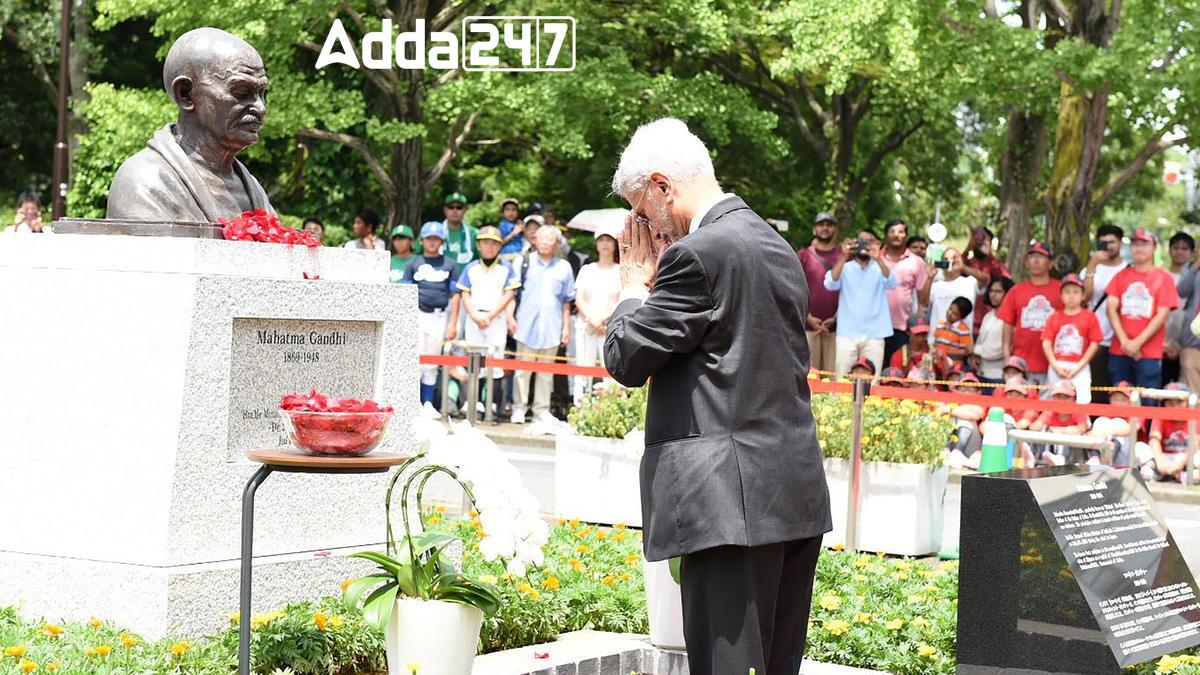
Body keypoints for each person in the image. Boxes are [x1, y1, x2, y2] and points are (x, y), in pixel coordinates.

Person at [603, 117, 830, 675]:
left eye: (640, 209)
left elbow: (627, 358)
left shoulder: (695, 255)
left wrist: (633, 286)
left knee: (725, 666)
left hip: (728, 502)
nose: (642, 226)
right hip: (790, 489)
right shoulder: (775, 243)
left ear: (663, 187)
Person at [106, 28, 274, 221]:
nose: (260, 108)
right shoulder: (145, 181)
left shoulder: (253, 190)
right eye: (241, 92)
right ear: (185, 94)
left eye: (262, 94)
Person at [512, 227, 575, 424]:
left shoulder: (564, 267)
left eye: (551, 239)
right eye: (543, 238)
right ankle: (519, 408)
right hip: (525, 325)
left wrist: (566, 328)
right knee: (522, 371)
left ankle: (541, 410)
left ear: (557, 243)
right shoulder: (522, 262)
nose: (546, 242)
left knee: (546, 373)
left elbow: (567, 302)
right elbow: (511, 294)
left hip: (552, 326)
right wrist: (510, 319)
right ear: (535, 241)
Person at [457, 226, 520, 417]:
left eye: (494, 243)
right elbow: (464, 293)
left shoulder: (506, 267)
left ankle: (491, 402)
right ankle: (472, 401)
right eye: (485, 243)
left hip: (496, 318)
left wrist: (492, 315)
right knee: (474, 359)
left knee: (495, 361)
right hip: (474, 318)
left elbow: (511, 293)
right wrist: (475, 316)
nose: (490, 247)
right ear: (478, 245)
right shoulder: (471, 267)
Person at [1106, 228, 1178, 392]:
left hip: (1149, 353)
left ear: (1154, 248)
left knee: (1147, 402)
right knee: (1118, 398)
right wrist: (1125, 342)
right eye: (1135, 244)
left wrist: (1136, 344)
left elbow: (1162, 315)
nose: (1139, 248)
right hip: (1119, 349)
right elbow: (1111, 309)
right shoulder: (1121, 276)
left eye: (1144, 244)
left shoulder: (1164, 278)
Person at [402, 221, 461, 406]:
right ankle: (412, 404)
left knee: (432, 362)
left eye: (436, 238)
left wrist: (453, 323)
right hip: (418, 315)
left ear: (442, 241)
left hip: (440, 316)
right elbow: (404, 295)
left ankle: (427, 403)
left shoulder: (450, 264)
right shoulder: (413, 263)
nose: (432, 242)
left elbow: (455, 295)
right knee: (415, 361)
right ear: (421, 240)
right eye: (429, 238)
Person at [824, 235, 896, 378]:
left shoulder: (879, 267)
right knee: (842, 378)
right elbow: (830, 283)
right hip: (847, 332)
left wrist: (879, 258)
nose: (864, 247)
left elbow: (892, 283)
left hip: (875, 333)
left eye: (868, 243)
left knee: (872, 380)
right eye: (860, 243)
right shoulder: (845, 267)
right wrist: (844, 256)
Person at [998, 241, 1063, 395]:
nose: (1036, 261)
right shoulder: (1017, 290)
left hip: (1053, 364)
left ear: (1051, 263)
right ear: (1026, 262)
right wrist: (1007, 356)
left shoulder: (1061, 290)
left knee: (1048, 408)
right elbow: (1007, 323)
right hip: (1021, 363)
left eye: (1041, 257)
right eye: (1032, 256)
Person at [572, 224, 622, 404]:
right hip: (586, 325)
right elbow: (579, 298)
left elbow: (621, 299)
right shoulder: (587, 269)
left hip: (609, 327)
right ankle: (579, 407)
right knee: (583, 365)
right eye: (601, 240)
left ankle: (611, 406)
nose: (605, 244)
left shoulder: (620, 271)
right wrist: (592, 319)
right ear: (596, 245)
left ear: (615, 244)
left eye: (609, 239)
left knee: (610, 368)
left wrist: (601, 320)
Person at [1082, 224, 1128, 403]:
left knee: (1119, 389)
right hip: (1097, 338)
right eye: (1104, 243)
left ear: (1120, 244)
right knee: (1097, 387)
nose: (1108, 246)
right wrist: (1092, 265)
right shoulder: (1091, 268)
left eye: (1112, 242)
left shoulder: (1128, 268)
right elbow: (1085, 298)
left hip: (1121, 338)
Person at [1040, 274, 1102, 404]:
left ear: (1083, 295)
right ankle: (1052, 423)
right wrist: (1055, 365)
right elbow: (1046, 342)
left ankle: (1081, 423)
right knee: (1054, 397)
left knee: (1083, 398)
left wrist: (1080, 365)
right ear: (1061, 295)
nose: (1071, 296)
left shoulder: (1089, 317)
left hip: (1080, 364)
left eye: (1075, 292)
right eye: (1067, 292)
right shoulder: (1054, 317)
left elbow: (1094, 343)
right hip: (1057, 363)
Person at [880, 219, 930, 368]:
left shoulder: (916, 262)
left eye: (901, 231)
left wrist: (930, 279)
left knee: (897, 371)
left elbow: (923, 299)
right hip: (874, 326)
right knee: (873, 372)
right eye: (892, 231)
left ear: (906, 236)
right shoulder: (875, 259)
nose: (896, 235)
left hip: (902, 326)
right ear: (885, 235)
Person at [797, 212, 842, 375]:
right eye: (821, 224)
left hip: (837, 328)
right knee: (809, 377)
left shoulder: (844, 257)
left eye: (829, 225)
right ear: (814, 229)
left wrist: (836, 318)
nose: (825, 228)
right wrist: (807, 317)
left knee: (833, 380)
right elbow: (794, 288)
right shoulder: (803, 255)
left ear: (836, 230)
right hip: (809, 327)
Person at [921, 247, 986, 338]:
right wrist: (929, 278)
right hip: (937, 340)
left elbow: (986, 279)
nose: (951, 261)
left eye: (955, 257)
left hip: (962, 341)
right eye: (946, 259)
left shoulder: (971, 282)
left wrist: (964, 268)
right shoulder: (936, 285)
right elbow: (923, 302)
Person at [1135, 382, 1193, 481]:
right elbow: (1154, 440)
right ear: (1164, 403)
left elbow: (1195, 444)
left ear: (1187, 402)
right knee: (1139, 447)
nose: (1175, 407)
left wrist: (1178, 466)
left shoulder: (1195, 416)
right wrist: (1161, 462)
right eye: (1170, 402)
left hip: (1186, 460)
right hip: (1163, 457)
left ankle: (1181, 476)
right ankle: (1159, 473)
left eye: (1179, 402)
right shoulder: (1160, 415)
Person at [1025, 380, 1090, 466]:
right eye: (1058, 396)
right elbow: (1034, 427)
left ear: (1074, 399)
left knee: (1071, 432)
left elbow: (1081, 429)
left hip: (1073, 455)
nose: (1062, 401)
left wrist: (1062, 431)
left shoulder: (1078, 410)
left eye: (1066, 397)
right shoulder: (1050, 411)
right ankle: (1034, 460)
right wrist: (1050, 425)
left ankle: (1061, 460)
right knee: (1044, 431)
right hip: (1050, 449)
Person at [964, 226, 1010, 334]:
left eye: (984, 240)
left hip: (987, 321)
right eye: (977, 240)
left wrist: (989, 252)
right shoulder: (966, 262)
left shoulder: (995, 264)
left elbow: (1008, 285)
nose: (980, 243)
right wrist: (969, 247)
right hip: (965, 321)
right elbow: (956, 267)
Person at [1163, 231, 1195, 385]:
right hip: (1161, 344)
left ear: (1192, 252)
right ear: (1169, 250)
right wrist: (1164, 344)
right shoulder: (1161, 275)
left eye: (1185, 248)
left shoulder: (1195, 276)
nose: (1180, 252)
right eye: (1176, 248)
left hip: (1186, 344)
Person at [975, 277, 1014, 390]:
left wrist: (977, 351)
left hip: (998, 375)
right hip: (981, 373)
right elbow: (980, 340)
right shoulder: (988, 316)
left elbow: (1004, 348)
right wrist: (974, 356)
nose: (993, 295)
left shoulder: (1012, 319)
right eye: (991, 291)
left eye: (998, 291)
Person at [1176, 244, 1200, 393]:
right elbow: (1182, 291)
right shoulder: (1191, 268)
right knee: (1192, 394)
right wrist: (1197, 265)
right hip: (1192, 343)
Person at [933, 296, 974, 366]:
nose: (949, 313)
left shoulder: (963, 330)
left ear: (962, 317)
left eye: (955, 314)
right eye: (950, 309)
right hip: (938, 363)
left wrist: (947, 352)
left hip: (954, 366)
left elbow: (967, 351)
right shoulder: (941, 324)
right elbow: (936, 343)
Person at [442, 192, 479, 266]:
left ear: (465, 210)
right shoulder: (433, 232)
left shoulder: (474, 233)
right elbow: (415, 254)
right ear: (445, 210)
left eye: (459, 207)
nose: (454, 210)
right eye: (451, 207)